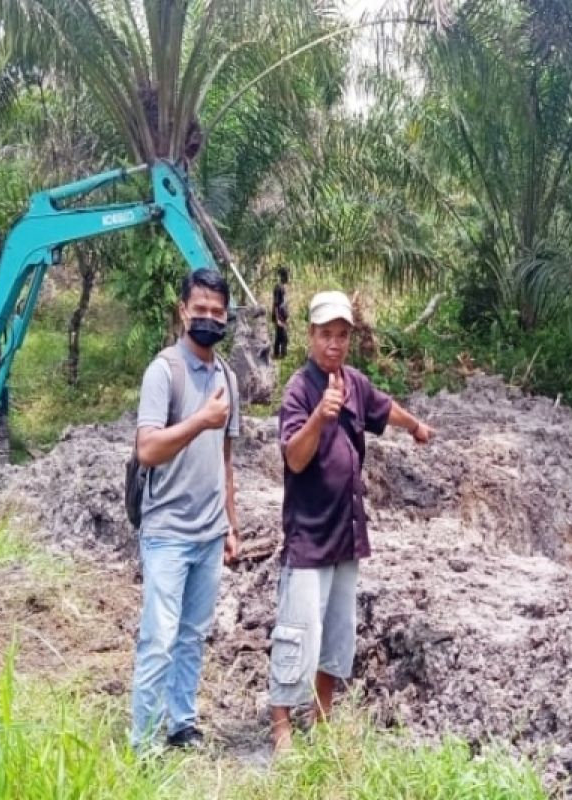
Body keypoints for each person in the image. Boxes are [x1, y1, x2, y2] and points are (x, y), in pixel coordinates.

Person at [268, 289, 434, 753]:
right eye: (326, 335)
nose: (334, 344)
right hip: (309, 533)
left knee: (336, 635)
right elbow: (295, 459)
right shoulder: (300, 390)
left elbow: (384, 409)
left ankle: (321, 720)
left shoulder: (354, 382)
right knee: (297, 630)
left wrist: (415, 426)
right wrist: (320, 418)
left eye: (342, 335)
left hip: (347, 531)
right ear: (310, 336)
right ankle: (281, 727)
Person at [129, 268, 241, 754]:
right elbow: (148, 449)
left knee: (193, 635)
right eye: (201, 310)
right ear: (183, 310)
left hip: (209, 532)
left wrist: (231, 526)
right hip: (168, 532)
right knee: (159, 637)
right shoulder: (164, 372)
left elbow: (226, 460)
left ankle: (183, 723)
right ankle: (144, 741)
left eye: (218, 312)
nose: (209, 319)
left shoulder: (227, 378)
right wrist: (200, 419)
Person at [272, 267, 290, 360]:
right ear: (282, 276)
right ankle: (282, 356)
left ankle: (276, 355)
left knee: (279, 337)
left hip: (282, 317)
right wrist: (278, 319)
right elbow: (276, 304)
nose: (288, 278)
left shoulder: (282, 287)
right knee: (284, 338)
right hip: (279, 317)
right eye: (287, 276)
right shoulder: (278, 287)